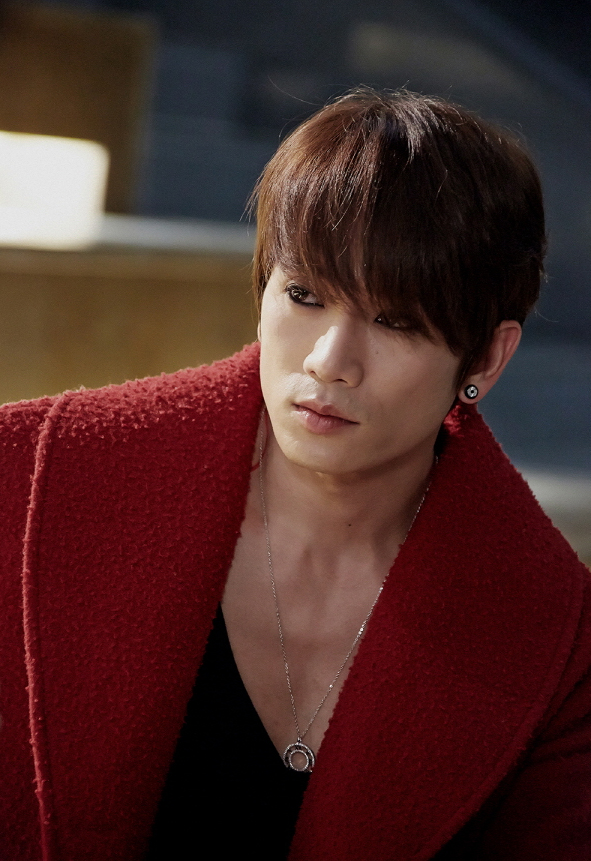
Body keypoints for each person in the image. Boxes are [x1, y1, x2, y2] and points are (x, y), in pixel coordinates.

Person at [1, 89, 590, 861]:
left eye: (395, 320)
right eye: (304, 295)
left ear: (485, 357)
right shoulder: (28, 479)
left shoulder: (556, 642)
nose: (328, 360)